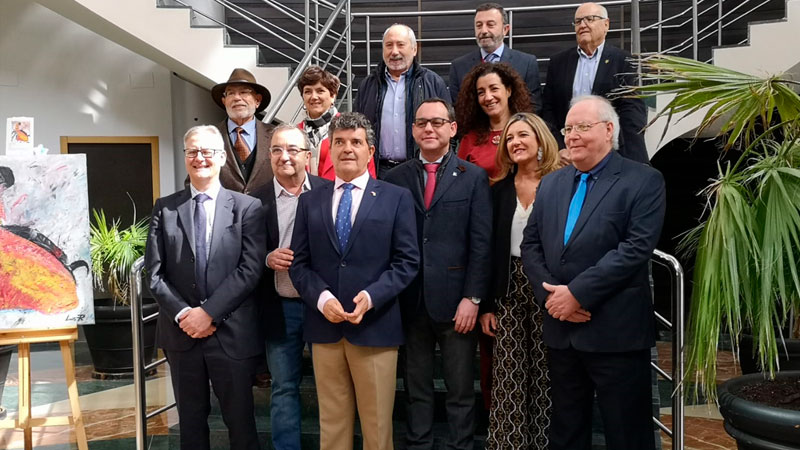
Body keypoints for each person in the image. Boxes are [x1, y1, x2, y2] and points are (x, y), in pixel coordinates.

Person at [521, 95, 665, 450]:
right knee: (566, 433)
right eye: (568, 129)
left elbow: (635, 249)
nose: (572, 136)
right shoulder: (552, 184)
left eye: (582, 127)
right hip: (562, 330)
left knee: (627, 435)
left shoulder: (643, 180)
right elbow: (531, 245)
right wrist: (552, 298)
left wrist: (576, 294)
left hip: (616, 332)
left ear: (609, 129)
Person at [288, 112, 420, 450]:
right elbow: (299, 264)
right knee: (332, 427)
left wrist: (371, 296)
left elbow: (407, 262)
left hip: (375, 327)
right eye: (340, 142)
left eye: (356, 142)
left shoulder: (395, 197)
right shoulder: (309, 201)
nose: (348, 148)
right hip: (325, 328)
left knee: (377, 428)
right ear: (329, 150)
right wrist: (322, 299)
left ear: (370, 151)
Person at [145, 125, 267, 450]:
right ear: (185, 156)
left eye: (207, 151)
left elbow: (250, 269)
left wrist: (209, 313)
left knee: (241, 425)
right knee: (191, 426)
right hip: (181, 334)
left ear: (222, 157)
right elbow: (154, 274)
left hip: (231, 334)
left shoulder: (247, 207)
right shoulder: (165, 208)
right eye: (192, 151)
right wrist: (186, 314)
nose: (199, 158)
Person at [384, 99, 492, 450]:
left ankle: (462, 445)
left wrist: (473, 297)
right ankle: (419, 443)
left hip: (458, 301)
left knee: (460, 388)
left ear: (452, 128)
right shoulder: (394, 179)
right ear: (413, 130)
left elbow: (481, 243)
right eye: (421, 123)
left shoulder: (473, 177)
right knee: (416, 387)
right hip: (410, 300)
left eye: (437, 122)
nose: (429, 128)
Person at [479, 112, 561, 449]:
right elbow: (487, 249)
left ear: (540, 139)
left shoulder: (562, 183)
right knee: (508, 377)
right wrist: (486, 305)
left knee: (546, 375)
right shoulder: (498, 190)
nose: (515, 142)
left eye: (523, 135)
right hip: (508, 288)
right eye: (510, 138)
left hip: (550, 289)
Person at [250, 125, 331, 450]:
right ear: (269, 156)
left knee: (333, 388)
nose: (284, 156)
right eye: (277, 150)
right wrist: (266, 258)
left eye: (293, 149)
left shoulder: (328, 192)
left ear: (307, 156)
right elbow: (242, 254)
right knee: (284, 387)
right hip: (280, 307)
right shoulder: (254, 201)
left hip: (324, 307)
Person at [541, 2, 649, 164]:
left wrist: (617, 150)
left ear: (606, 25)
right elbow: (549, 110)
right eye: (578, 21)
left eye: (590, 19)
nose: (582, 25)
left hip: (610, 153)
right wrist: (559, 147)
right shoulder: (558, 62)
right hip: (568, 155)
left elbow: (632, 111)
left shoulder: (623, 61)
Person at [355, 24, 450, 177]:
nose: (394, 51)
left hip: (420, 170)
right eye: (389, 45)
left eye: (400, 45)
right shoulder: (368, 85)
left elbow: (449, 130)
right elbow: (356, 128)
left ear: (414, 49)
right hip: (379, 170)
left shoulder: (432, 82)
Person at [449, 2, 542, 111]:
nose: (483, 31)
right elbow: (458, 109)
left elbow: (534, 107)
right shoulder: (458, 67)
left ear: (505, 29)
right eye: (479, 25)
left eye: (490, 24)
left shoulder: (527, 63)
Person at [296, 65, 376, 180]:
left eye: (320, 91)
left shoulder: (354, 127)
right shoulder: (296, 133)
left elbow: (368, 169)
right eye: (308, 91)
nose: (314, 97)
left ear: (333, 95)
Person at [455, 62, 532, 179]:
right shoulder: (470, 139)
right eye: (481, 92)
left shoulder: (531, 131)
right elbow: (460, 181)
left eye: (494, 89)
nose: (488, 97)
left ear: (508, 91)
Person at [210, 68, 276, 194]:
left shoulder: (275, 135)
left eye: (244, 92)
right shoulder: (209, 136)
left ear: (257, 100)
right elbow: (194, 180)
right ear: (224, 101)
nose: (237, 98)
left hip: (267, 205)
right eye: (230, 93)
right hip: (223, 206)